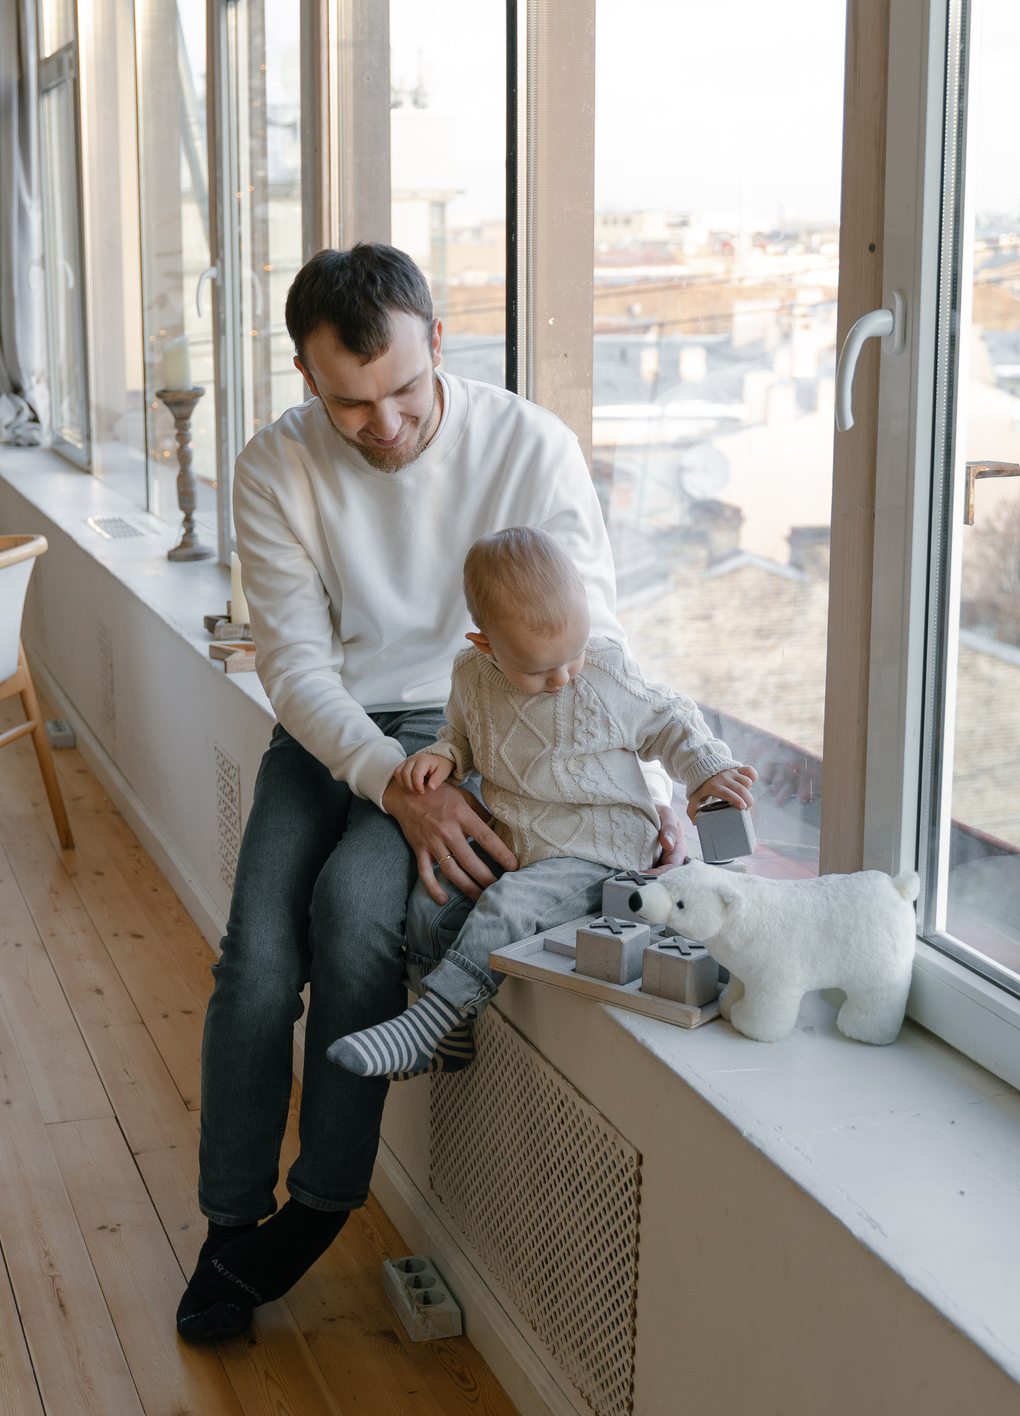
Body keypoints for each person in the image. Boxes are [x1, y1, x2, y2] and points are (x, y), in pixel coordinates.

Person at [178, 243, 687, 1344]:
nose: (387, 424)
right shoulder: (275, 466)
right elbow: (294, 664)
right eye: (350, 402)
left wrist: (651, 784)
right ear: (307, 376)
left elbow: (582, 643)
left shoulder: (527, 445)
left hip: (482, 731)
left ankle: (318, 1205)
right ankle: (230, 1221)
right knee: (255, 964)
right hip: (332, 738)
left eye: (404, 389)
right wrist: (385, 784)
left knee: (354, 915)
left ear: (437, 345)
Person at [325, 526, 758, 1080]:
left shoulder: (604, 672)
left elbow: (669, 719)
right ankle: (450, 1034)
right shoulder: (471, 676)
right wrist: (447, 757)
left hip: (602, 848)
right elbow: (464, 732)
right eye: (536, 670)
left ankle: (426, 1022)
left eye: (572, 655)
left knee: (510, 909)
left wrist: (706, 771)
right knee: (428, 908)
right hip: (526, 843)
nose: (561, 678)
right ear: (486, 646)